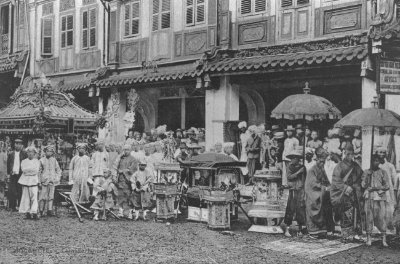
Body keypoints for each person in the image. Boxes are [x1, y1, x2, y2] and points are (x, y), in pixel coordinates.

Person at [330, 144, 364, 235]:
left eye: (351, 154)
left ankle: (356, 233)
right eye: (348, 154)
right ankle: (346, 234)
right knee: (345, 213)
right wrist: (345, 187)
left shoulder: (356, 165)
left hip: (354, 193)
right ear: (344, 153)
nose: (350, 156)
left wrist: (360, 184)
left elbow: (362, 176)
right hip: (344, 193)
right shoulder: (339, 166)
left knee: (356, 213)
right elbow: (336, 180)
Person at [305, 148, 335, 237]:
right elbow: (312, 185)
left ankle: (328, 230)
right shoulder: (312, 170)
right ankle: (315, 231)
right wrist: (324, 188)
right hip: (314, 195)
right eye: (321, 161)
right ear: (317, 159)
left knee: (329, 203)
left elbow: (326, 181)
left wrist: (330, 186)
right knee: (323, 202)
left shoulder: (322, 169)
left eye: (323, 162)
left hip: (322, 194)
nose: (322, 163)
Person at [362, 155, 390, 247]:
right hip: (370, 198)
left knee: (381, 218)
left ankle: (384, 239)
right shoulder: (366, 172)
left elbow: (387, 186)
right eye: (374, 161)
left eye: (377, 161)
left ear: (379, 162)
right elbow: (363, 185)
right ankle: (368, 239)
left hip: (380, 198)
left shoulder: (383, 172)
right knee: (369, 218)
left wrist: (375, 188)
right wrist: (367, 178)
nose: (375, 163)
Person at [282, 148, 307, 237]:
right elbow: (289, 177)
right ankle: (287, 229)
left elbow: (304, 180)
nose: (293, 159)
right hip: (293, 190)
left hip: (300, 190)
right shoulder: (289, 166)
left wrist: (303, 189)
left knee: (300, 209)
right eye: (292, 158)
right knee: (290, 209)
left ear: (298, 159)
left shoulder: (302, 167)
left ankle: (300, 230)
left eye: (295, 158)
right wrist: (298, 172)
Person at [112, 144, 138, 219]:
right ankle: (120, 212)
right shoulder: (120, 158)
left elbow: (133, 170)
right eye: (125, 150)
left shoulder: (133, 159)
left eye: (127, 150)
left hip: (128, 180)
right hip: (120, 180)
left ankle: (129, 213)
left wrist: (123, 171)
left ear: (130, 150)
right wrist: (116, 174)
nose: (126, 151)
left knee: (128, 196)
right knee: (120, 196)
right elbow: (115, 167)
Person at [38, 145, 61, 217]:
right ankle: (41, 210)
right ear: (45, 152)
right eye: (47, 151)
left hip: (52, 181)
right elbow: (39, 171)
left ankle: (49, 210)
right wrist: (39, 181)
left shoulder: (54, 160)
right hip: (44, 181)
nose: (49, 152)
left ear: (52, 152)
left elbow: (58, 170)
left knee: (51, 196)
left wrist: (56, 178)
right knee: (42, 196)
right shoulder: (41, 160)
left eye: (51, 151)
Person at [18, 146, 40, 220]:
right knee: (26, 197)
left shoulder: (37, 161)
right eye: (29, 152)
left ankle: (34, 213)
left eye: (32, 152)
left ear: (34, 153)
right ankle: (27, 213)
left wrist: (29, 171)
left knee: (34, 197)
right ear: (27, 153)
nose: (30, 153)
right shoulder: (24, 161)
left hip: (34, 181)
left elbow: (35, 171)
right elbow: (24, 170)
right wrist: (30, 171)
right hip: (25, 181)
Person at [377, 146, 396, 232]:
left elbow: (394, 179)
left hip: (388, 190)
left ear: (386, 154)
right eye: (379, 152)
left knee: (389, 208)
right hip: (378, 190)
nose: (381, 154)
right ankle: (380, 226)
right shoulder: (375, 165)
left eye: (383, 152)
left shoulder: (390, 166)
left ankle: (389, 226)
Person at [7, 138, 27, 211]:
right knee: (12, 191)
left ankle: (20, 206)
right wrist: (8, 173)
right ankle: (12, 206)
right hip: (13, 174)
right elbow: (8, 164)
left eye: (19, 144)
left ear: (21, 145)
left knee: (20, 190)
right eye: (16, 144)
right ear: (14, 144)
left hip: (21, 174)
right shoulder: (11, 154)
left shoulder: (24, 154)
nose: (17, 145)